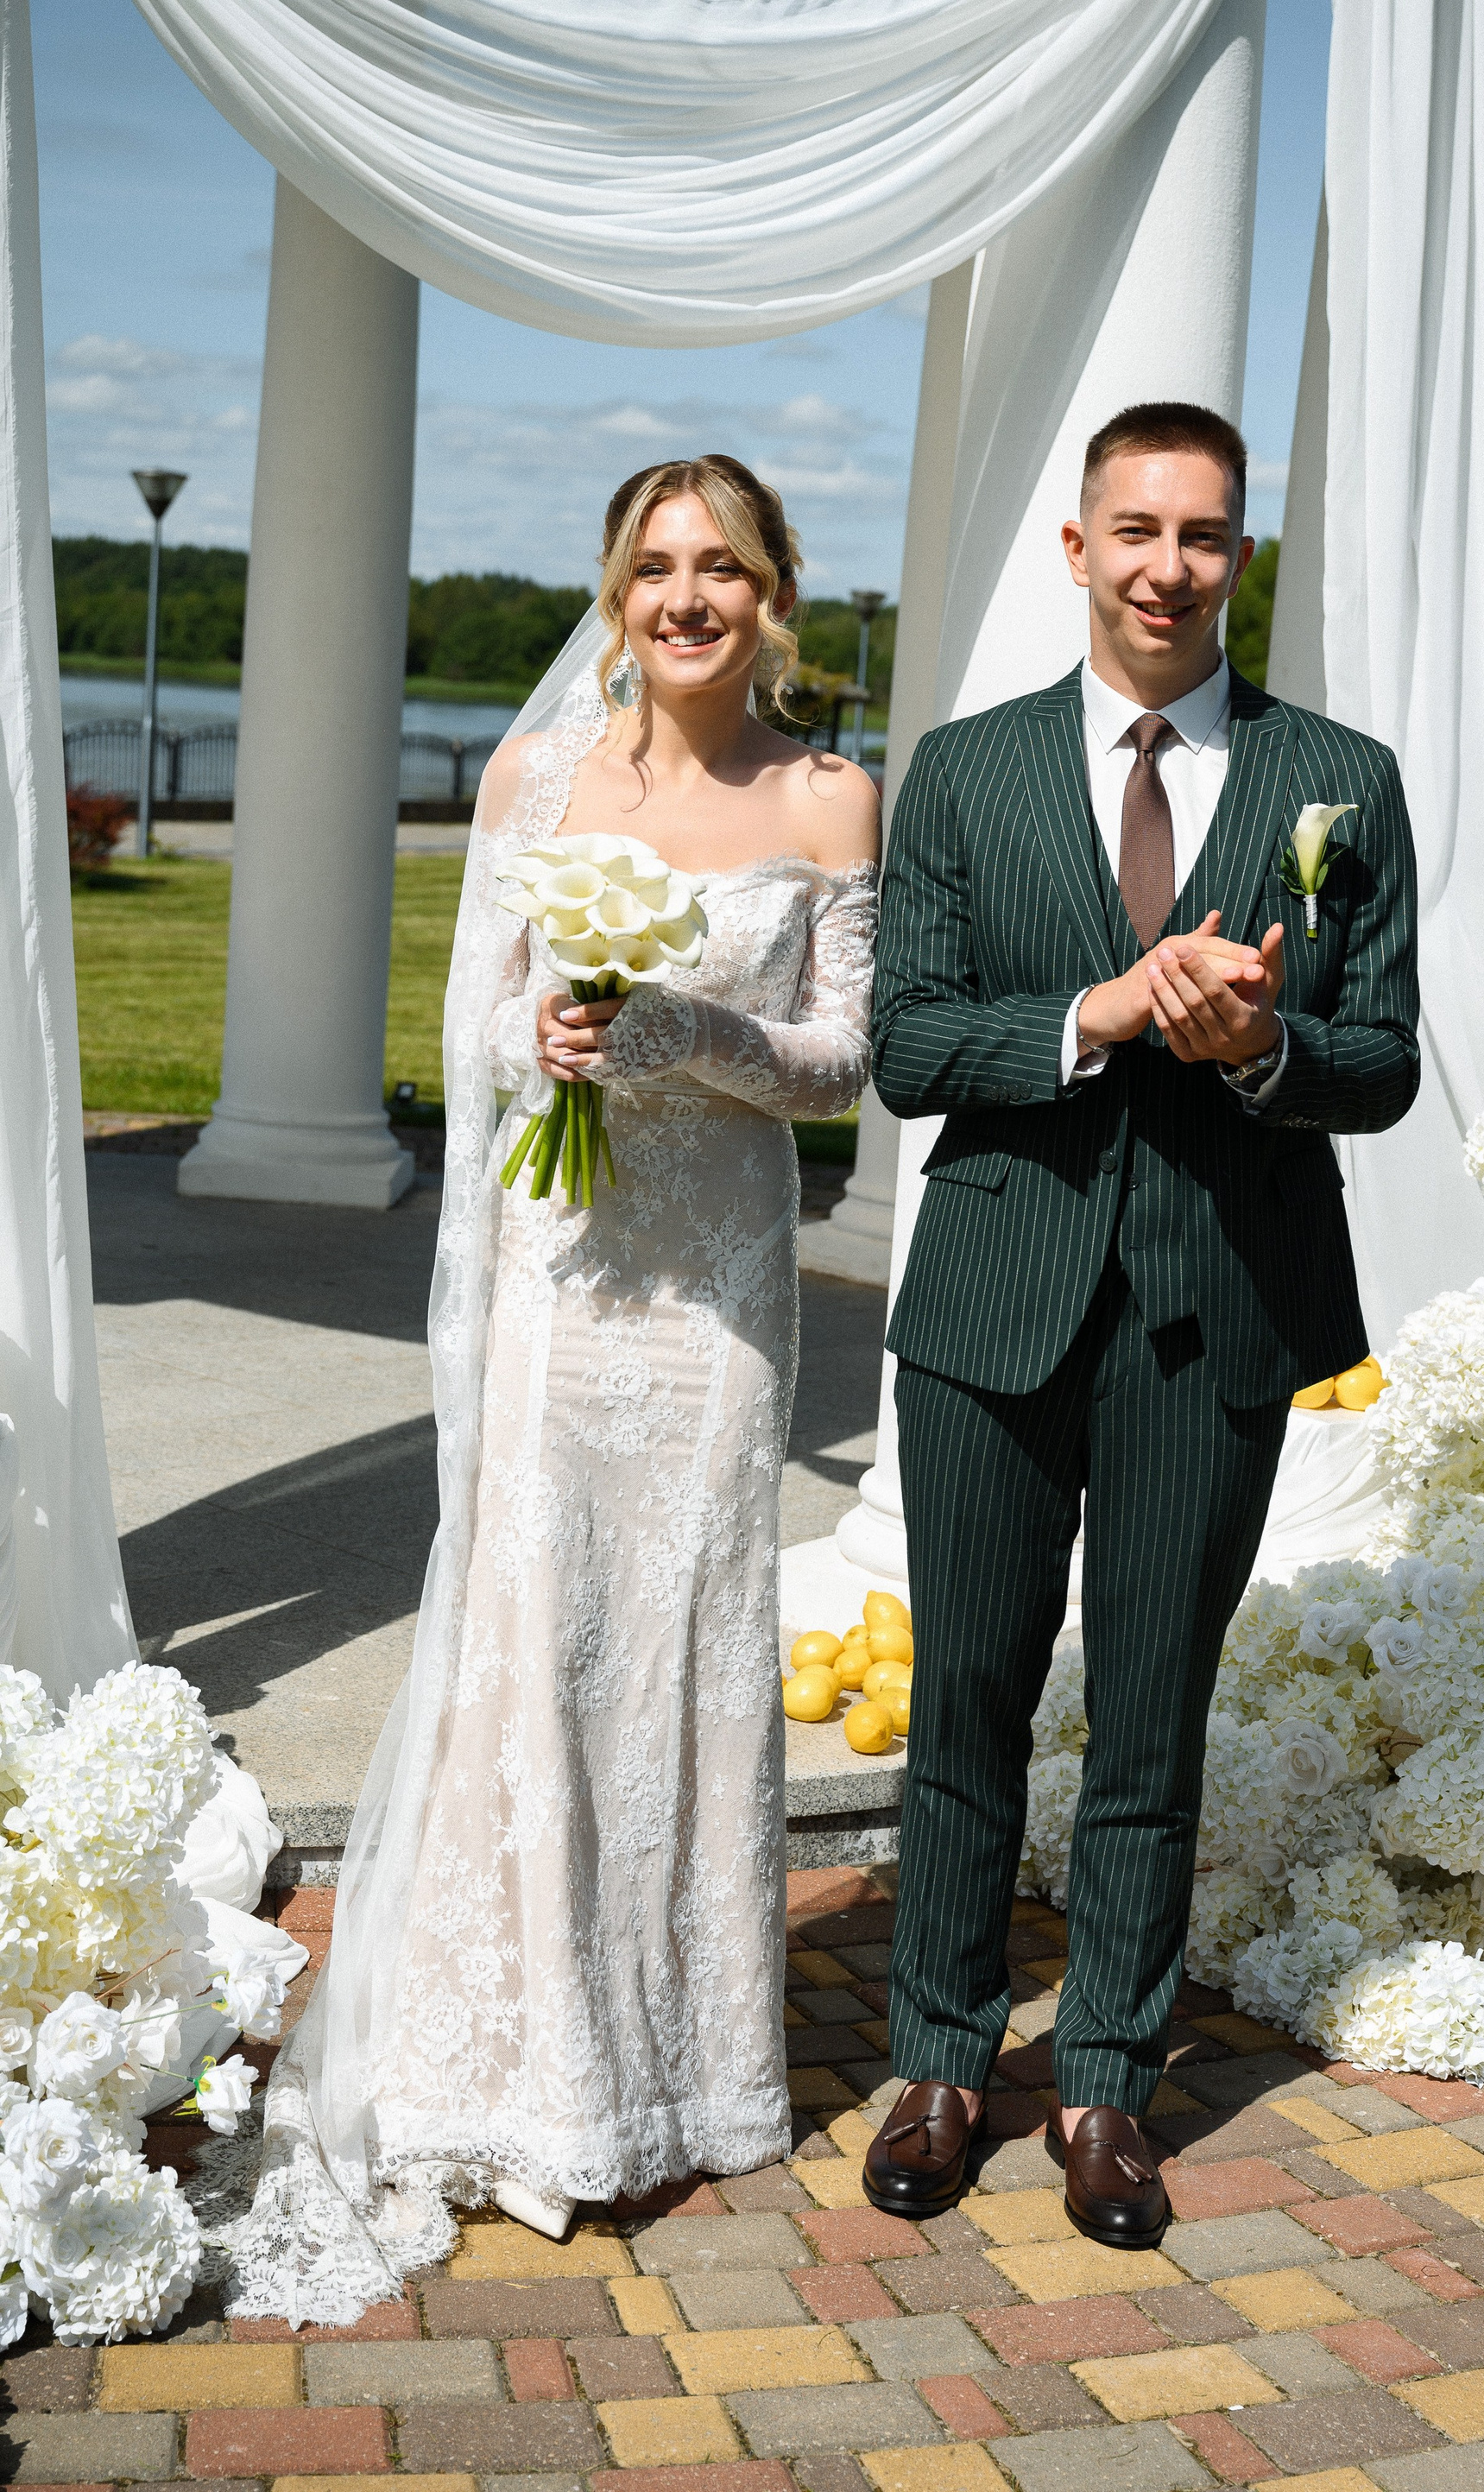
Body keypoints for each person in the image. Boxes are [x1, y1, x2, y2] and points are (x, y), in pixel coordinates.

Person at [228, 457, 878, 2324]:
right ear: (614, 590)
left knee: (681, 1645)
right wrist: (555, 1028)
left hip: (720, 1303)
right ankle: (520, 2069)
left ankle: (681, 2067)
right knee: (539, 1638)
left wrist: (690, 1030)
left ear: (772, 591)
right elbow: (481, 1032)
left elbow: (845, 1065)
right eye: (654, 566)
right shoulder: (533, 777)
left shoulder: (830, 795)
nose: (687, 597)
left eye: (722, 566)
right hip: (564, 1281)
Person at [862, 402, 1419, 2248]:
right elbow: (907, 1042)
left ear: (1237, 555)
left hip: (1216, 1312)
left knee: (1153, 1713)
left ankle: (1105, 2079)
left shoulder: (1340, 776)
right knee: (965, 1693)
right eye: (1136, 529)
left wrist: (1262, 1045)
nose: (1167, 566)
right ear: (1079, 547)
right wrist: (1095, 1014)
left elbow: (1382, 1061)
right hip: (994, 1303)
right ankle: (942, 2060)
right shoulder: (964, 772)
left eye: (1202, 534)